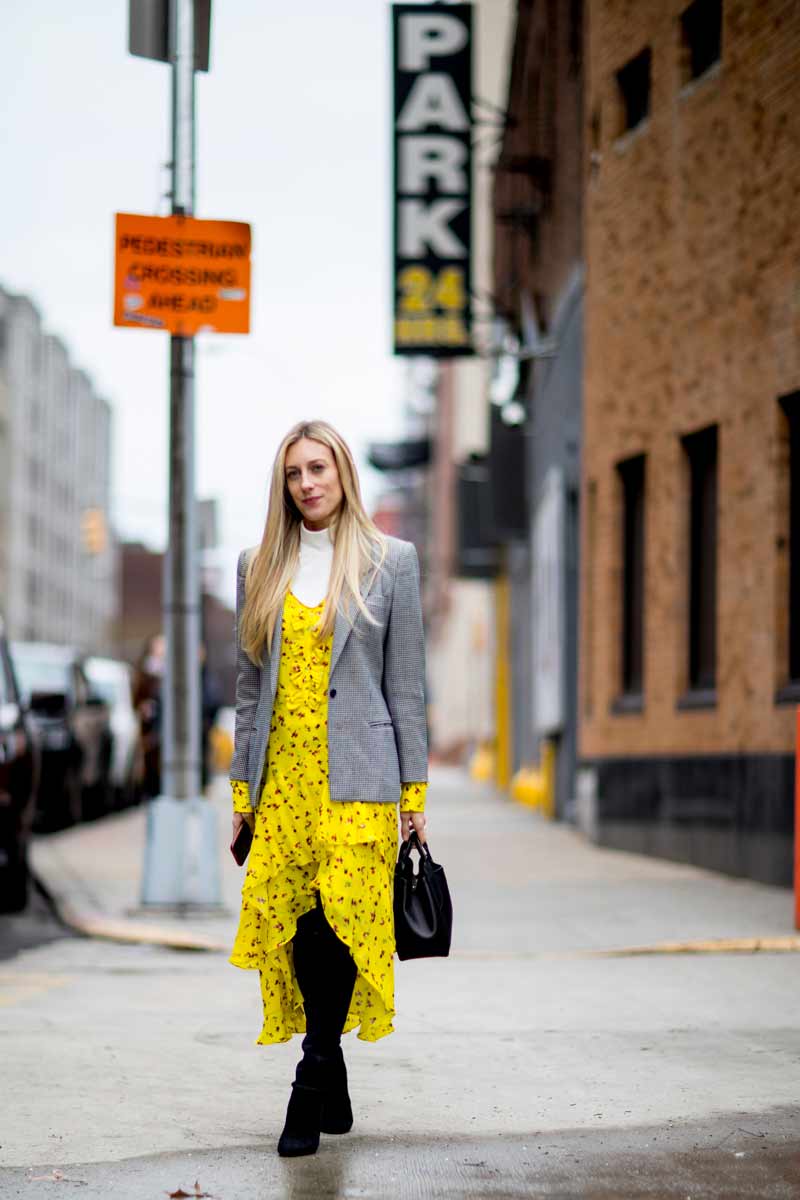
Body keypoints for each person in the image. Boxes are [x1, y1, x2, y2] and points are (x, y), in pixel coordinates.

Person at [229, 419, 428, 1158]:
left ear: (342, 471)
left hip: (362, 781)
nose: (307, 483)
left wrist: (414, 795)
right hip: (283, 781)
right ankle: (331, 1062)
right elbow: (250, 693)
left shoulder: (390, 561)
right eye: (293, 473)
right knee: (305, 928)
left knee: (344, 924)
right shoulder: (258, 565)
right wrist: (241, 793)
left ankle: (309, 1081)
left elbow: (406, 688)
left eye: (318, 468)